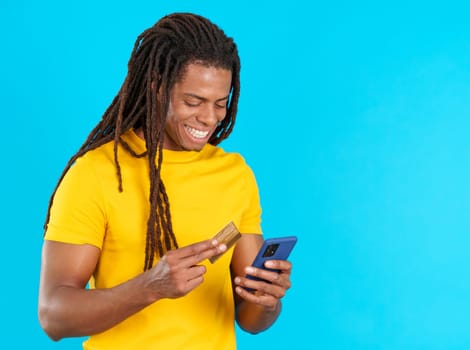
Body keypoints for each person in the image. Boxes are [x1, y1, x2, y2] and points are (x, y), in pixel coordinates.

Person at [38, 12, 293, 350]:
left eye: (221, 103)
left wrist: (267, 301)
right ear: (157, 85)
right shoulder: (97, 172)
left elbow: (249, 319)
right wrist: (150, 287)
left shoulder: (235, 174)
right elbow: (54, 317)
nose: (209, 118)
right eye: (193, 101)